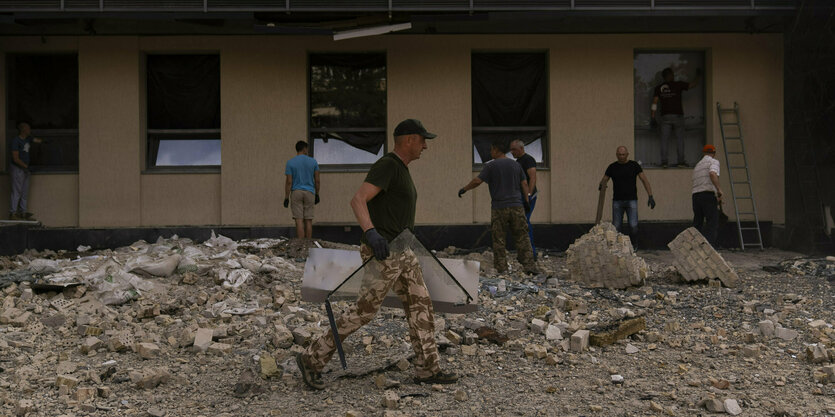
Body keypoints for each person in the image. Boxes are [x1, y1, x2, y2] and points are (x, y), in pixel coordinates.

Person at [296, 119, 458, 390]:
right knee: (364, 312)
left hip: (404, 250)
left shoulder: (402, 169)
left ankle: (428, 369)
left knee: (421, 307)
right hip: (384, 252)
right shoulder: (388, 165)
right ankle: (312, 358)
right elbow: (358, 199)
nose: (425, 146)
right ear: (408, 140)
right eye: (422, 140)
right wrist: (371, 233)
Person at [458, 139, 539, 275]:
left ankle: (502, 269)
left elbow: (478, 180)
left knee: (499, 239)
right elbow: (525, 183)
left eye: (491, 150)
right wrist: (526, 200)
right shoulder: (516, 165)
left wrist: (464, 189)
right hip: (516, 206)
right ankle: (529, 266)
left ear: (496, 150)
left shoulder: (491, 166)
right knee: (522, 236)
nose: (490, 153)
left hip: (499, 207)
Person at [599, 146, 655, 242]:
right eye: (619, 155)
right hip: (617, 201)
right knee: (616, 227)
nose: (621, 157)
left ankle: (634, 244)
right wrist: (601, 185)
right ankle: (617, 248)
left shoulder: (634, 165)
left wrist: (650, 196)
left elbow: (644, 180)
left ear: (627, 154)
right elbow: (605, 179)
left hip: (631, 200)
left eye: (623, 155)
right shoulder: (612, 167)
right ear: (616, 155)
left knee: (633, 226)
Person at [651, 67, 702, 168]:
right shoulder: (678, 85)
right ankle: (681, 162)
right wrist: (698, 76)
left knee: (664, 140)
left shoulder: (659, 88)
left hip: (665, 116)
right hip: (677, 116)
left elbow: (654, 103)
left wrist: (653, 116)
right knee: (679, 139)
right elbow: (693, 84)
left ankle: (664, 162)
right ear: (670, 75)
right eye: (672, 74)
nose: (673, 76)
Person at [284, 141, 320, 239]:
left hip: (296, 192)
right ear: (304, 149)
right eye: (307, 149)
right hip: (310, 192)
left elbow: (289, 182)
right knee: (308, 220)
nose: (307, 151)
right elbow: (317, 180)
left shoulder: (290, 163)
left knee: (299, 220)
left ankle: (301, 244)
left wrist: (286, 197)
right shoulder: (313, 162)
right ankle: (308, 245)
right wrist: (317, 194)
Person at [509, 139, 538, 259]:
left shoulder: (528, 160)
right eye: (511, 149)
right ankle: (525, 252)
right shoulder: (518, 161)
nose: (512, 152)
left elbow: (532, 178)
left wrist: (529, 196)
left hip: (527, 196)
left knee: (525, 222)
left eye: (514, 149)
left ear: (521, 148)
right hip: (520, 196)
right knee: (521, 223)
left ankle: (531, 253)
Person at [9, 122, 42, 221]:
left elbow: (36, 140)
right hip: (18, 168)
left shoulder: (28, 139)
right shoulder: (16, 141)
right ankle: (13, 212)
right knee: (17, 190)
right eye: (28, 129)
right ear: (23, 130)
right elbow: (15, 158)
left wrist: (45, 141)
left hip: (26, 169)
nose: (30, 130)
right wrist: (25, 166)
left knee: (24, 191)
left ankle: (23, 212)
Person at [692, 144, 723, 246]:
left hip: (696, 196)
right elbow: (712, 174)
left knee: (697, 223)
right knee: (712, 223)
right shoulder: (713, 162)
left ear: (704, 153)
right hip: (707, 195)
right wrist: (719, 190)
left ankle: (693, 247)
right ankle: (709, 250)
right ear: (714, 153)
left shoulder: (698, 165)